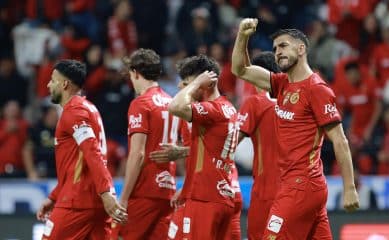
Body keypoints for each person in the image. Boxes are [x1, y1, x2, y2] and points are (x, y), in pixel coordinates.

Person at [231, 19, 360, 239]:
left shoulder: (316, 89)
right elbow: (240, 69)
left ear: (301, 49)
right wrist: (243, 36)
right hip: (298, 185)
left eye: (283, 46)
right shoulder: (281, 84)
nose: (277, 52)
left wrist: (349, 187)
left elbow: (339, 140)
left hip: (302, 185)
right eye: (275, 49)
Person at [150, 55, 242, 240]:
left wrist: (197, 83)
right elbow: (208, 149)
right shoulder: (228, 108)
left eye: (187, 81)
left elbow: (175, 106)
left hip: (205, 199)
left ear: (207, 81)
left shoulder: (212, 110)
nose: (180, 86)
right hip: (220, 195)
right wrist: (185, 189)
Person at [36, 59, 127, 239]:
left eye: (52, 80)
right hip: (93, 202)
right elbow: (75, 165)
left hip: (77, 203)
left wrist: (106, 192)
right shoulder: (88, 107)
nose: (48, 84)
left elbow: (91, 152)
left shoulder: (74, 112)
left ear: (64, 84)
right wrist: (54, 196)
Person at [117, 48, 177, 239]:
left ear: (135, 72)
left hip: (144, 190)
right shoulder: (172, 102)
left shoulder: (141, 103)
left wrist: (124, 198)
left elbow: (138, 153)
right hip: (167, 191)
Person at [236, 51, 281, 240]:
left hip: (266, 190)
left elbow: (229, 144)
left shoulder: (255, 103)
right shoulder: (297, 101)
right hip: (295, 189)